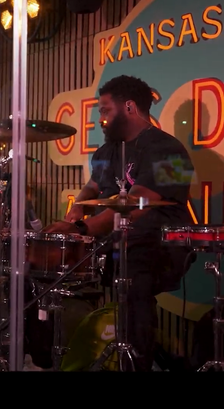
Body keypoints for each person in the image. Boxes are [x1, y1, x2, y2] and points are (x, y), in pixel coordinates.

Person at [43, 74, 195, 371]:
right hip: (119, 239)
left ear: (129, 107)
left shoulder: (169, 150)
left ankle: (138, 361)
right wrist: (77, 209)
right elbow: (93, 186)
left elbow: (137, 206)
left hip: (161, 244)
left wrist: (81, 229)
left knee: (134, 286)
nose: (100, 117)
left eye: (105, 110)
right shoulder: (108, 150)